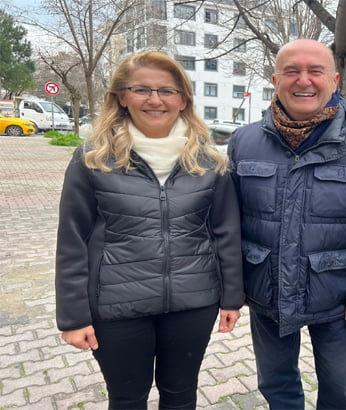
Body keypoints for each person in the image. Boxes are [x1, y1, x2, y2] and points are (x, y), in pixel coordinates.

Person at [55, 51, 244, 410]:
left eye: (167, 91)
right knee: (127, 399)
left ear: (183, 99)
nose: (155, 100)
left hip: (193, 302)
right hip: (116, 306)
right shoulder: (93, 159)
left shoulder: (210, 162)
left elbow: (226, 232)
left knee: (180, 396)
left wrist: (232, 297)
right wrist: (73, 316)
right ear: (121, 97)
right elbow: (72, 241)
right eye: (141, 89)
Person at [227, 39, 346, 409]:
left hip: (337, 296)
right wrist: (234, 284)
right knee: (275, 383)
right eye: (291, 71)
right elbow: (229, 224)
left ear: (334, 80)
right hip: (265, 291)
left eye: (315, 71)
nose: (303, 80)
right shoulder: (244, 142)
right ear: (275, 80)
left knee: (338, 388)